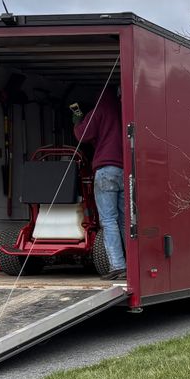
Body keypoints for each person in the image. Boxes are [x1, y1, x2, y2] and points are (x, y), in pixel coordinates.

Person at [73, 84, 126, 279]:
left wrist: (78, 120)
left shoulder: (99, 110)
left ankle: (117, 265)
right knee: (123, 221)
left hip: (105, 171)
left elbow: (82, 135)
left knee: (108, 220)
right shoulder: (124, 109)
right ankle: (131, 263)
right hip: (124, 171)